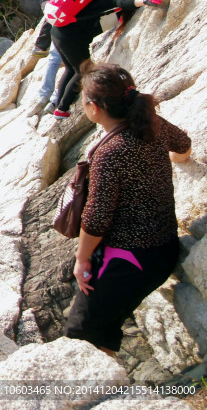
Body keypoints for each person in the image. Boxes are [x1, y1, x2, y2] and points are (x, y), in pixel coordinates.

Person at [64, 63, 191, 356]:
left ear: (94, 107)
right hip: (162, 248)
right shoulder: (151, 123)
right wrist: (177, 161)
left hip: (130, 258)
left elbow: (96, 219)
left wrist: (81, 260)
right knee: (105, 327)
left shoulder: (110, 151)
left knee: (78, 337)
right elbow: (183, 145)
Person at [50, 0, 167, 118]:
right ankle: (62, 109)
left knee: (71, 69)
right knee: (84, 71)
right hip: (71, 37)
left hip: (58, 30)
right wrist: (145, 0)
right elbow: (125, 0)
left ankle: (58, 104)